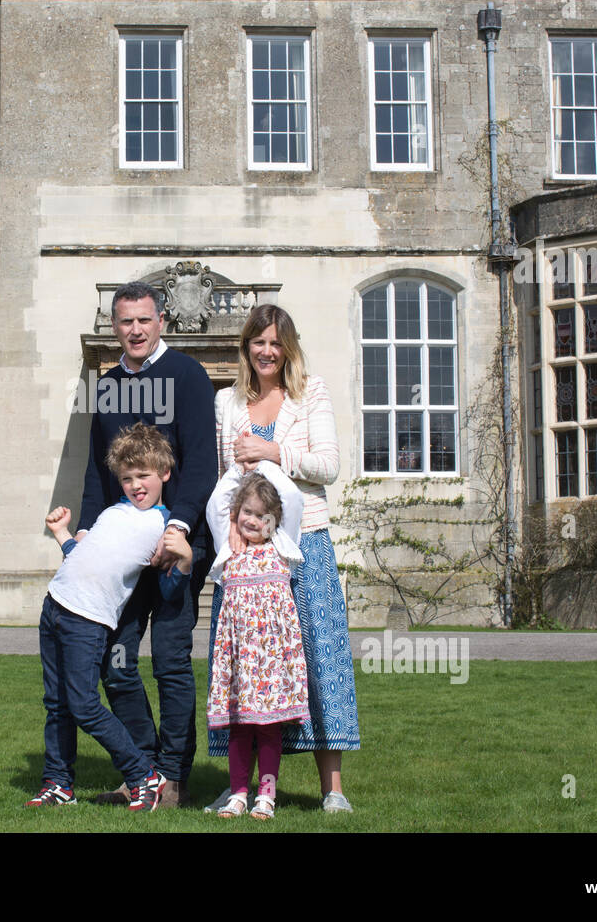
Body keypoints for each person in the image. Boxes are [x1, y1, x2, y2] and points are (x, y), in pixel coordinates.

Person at [207, 303, 361, 814]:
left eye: (276, 342)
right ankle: (241, 789)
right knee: (244, 662)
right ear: (246, 347)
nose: (267, 351)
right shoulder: (227, 402)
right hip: (248, 556)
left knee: (320, 658)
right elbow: (224, 482)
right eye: (258, 342)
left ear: (287, 347)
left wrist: (275, 454)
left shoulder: (309, 391)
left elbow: (330, 466)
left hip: (305, 545)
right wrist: (228, 537)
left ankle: (332, 789)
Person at [77, 281, 217, 807]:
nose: (134, 330)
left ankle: (175, 779)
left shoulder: (188, 375)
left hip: (181, 541)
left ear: (161, 321)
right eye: (124, 321)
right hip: (122, 545)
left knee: (170, 661)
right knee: (115, 657)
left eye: (143, 320)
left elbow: (203, 461)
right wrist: (88, 531)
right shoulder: (108, 384)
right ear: (114, 325)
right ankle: (142, 771)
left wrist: (179, 528)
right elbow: (97, 469)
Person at [29, 423, 193, 811]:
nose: (136, 485)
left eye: (144, 476)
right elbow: (84, 559)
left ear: (165, 474)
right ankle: (58, 784)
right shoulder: (110, 513)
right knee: (57, 703)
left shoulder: (163, 527)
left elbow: (169, 591)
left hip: (88, 621)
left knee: (84, 704)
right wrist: (62, 534)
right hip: (54, 607)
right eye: (127, 478)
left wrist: (184, 559)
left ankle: (144, 775)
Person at [204, 462, 310, 819]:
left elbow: (293, 496)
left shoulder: (284, 546)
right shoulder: (227, 548)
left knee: (268, 726)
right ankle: (237, 792)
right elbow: (216, 502)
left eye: (261, 515)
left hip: (272, 657)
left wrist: (264, 463)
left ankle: (266, 793)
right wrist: (240, 469)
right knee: (239, 725)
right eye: (246, 512)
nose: (252, 520)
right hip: (239, 657)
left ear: (274, 520)